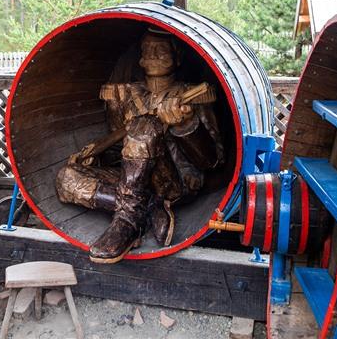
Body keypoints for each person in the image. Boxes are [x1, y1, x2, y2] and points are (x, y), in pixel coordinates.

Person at [55, 29, 224, 263]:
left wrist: (185, 126)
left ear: (177, 57)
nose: (153, 55)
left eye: (161, 50)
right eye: (148, 50)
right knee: (66, 178)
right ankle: (148, 208)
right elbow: (120, 155)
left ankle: (127, 221)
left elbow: (212, 161)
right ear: (140, 58)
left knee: (145, 126)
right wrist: (97, 156)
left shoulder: (191, 96)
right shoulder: (126, 95)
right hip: (134, 184)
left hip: (174, 182)